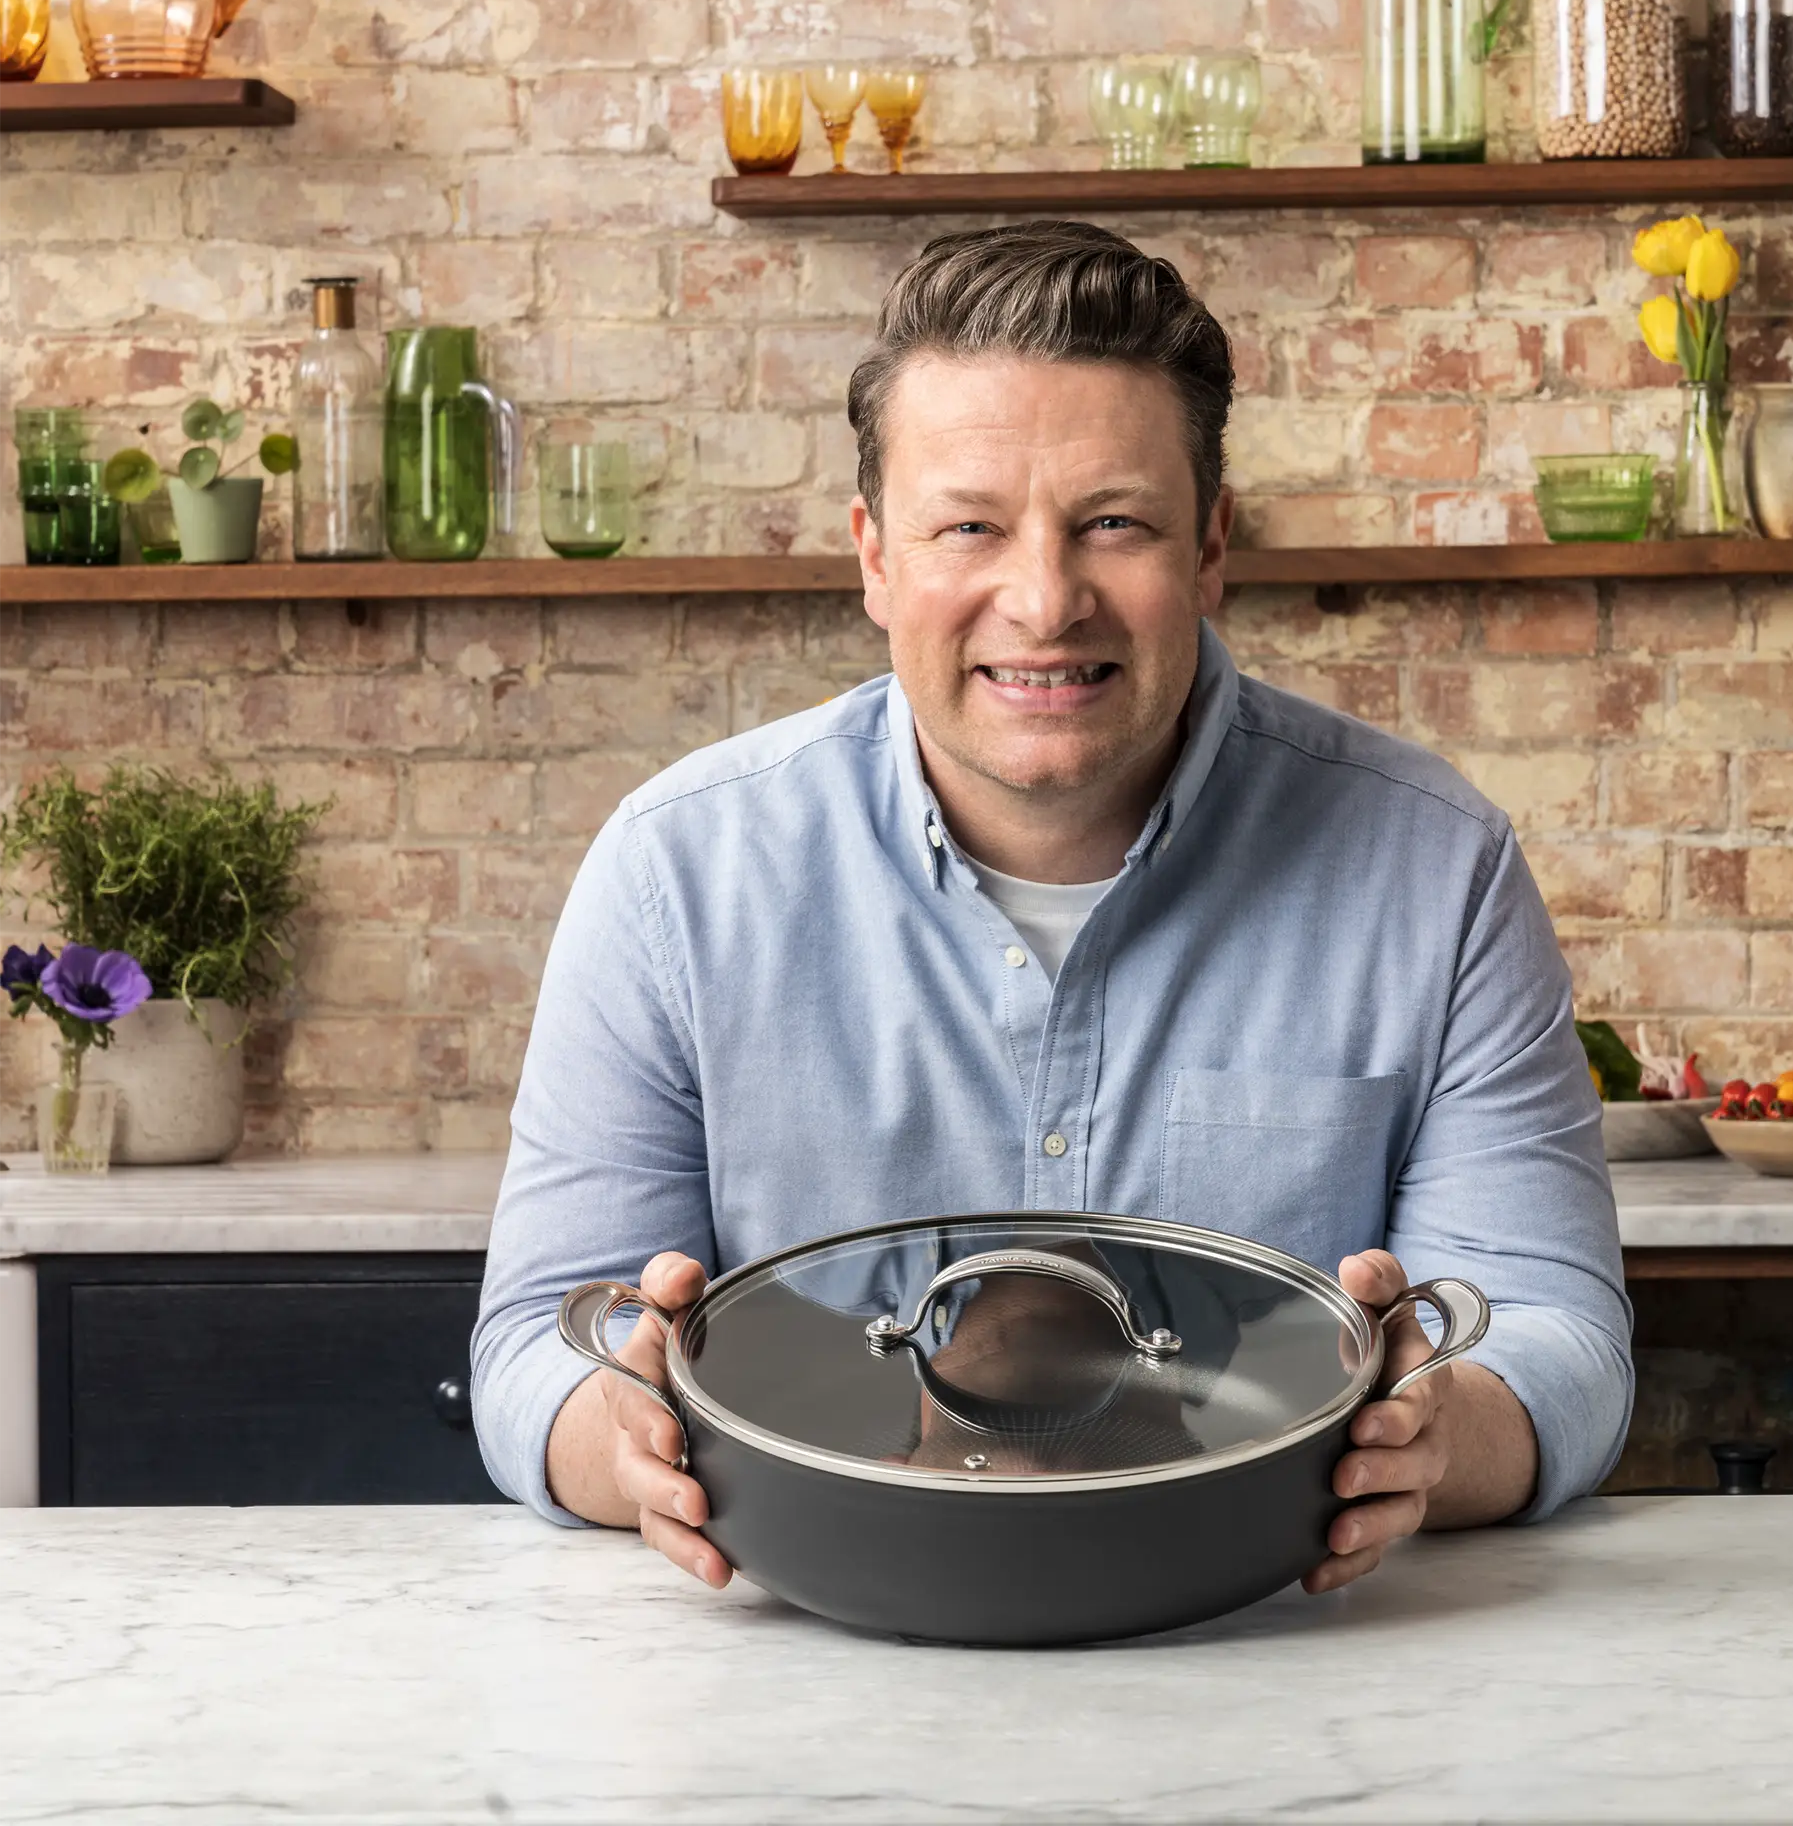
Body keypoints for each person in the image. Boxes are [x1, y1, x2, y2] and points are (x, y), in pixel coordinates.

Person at [472, 219, 1633, 1597]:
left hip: (1293, 1667)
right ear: (873, 557)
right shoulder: (672, 875)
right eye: (968, 526)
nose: (1043, 600)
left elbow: (1558, 1335)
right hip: (798, 1686)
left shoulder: (1437, 872)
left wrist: (1437, 1434)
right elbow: (531, 1356)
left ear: (1209, 547)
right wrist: (629, 1435)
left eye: (1114, 525)